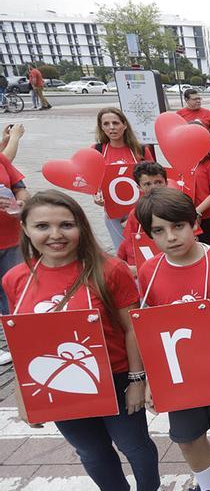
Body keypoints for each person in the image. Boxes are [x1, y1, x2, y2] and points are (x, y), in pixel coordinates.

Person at [2, 190, 159, 490]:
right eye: (42, 226)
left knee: (135, 446)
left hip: (115, 378)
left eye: (66, 225)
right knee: (91, 451)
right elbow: (21, 339)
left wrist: (137, 380)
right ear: (24, 228)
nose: (55, 235)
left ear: (81, 227)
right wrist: (25, 395)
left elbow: (132, 328)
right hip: (58, 384)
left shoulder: (110, 270)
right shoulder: (16, 279)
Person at [135, 188, 210, 491]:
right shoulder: (150, 271)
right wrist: (150, 380)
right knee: (187, 439)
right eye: (159, 230)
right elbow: (150, 329)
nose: (170, 237)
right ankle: (207, 484)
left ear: (194, 223)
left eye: (178, 226)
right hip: (179, 375)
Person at [92, 108, 154, 250]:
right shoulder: (97, 150)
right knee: (124, 252)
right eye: (106, 124)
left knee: (146, 250)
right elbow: (95, 183)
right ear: (101, 127)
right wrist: (97, 196)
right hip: (114, 214)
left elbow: (154, 179)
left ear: (124, 125)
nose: (111, 127)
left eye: (115, 123)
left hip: (142, 211)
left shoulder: (141, 150)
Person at [0, 125, 29, 364]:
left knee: (17, 292)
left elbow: (20, 188)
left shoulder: (1, 159)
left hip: (12, 238)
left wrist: (19, 203)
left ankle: (22, 343)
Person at [116, 162, 168, 271]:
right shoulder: (136, 214)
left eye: (158, 182)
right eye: (147, 184)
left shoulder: (180, 207)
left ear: (166, 182)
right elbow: (130, 244)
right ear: (139, 187)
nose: (154, 187)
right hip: (147, 265)